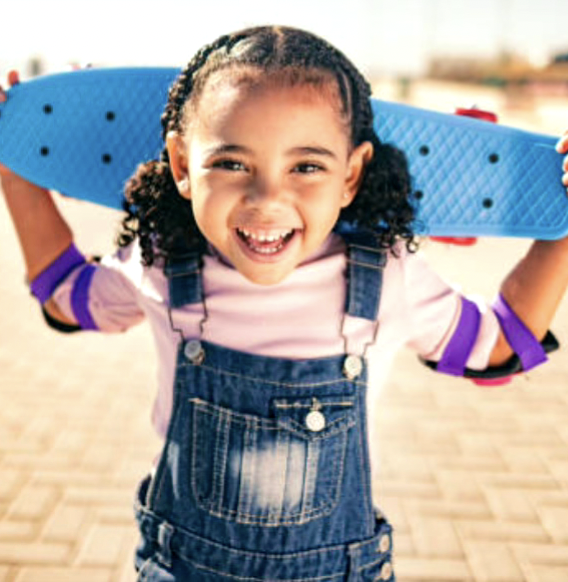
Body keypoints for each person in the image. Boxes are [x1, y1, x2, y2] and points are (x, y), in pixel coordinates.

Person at [1, 25, 568, 582]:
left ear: (351, 175)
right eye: (230, 163)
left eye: (307, 167)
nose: (267, 199)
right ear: (181, 166)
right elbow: (65, 298)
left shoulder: (386, 275)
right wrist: (13, 164)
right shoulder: (161, 261)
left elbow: (498, 344)